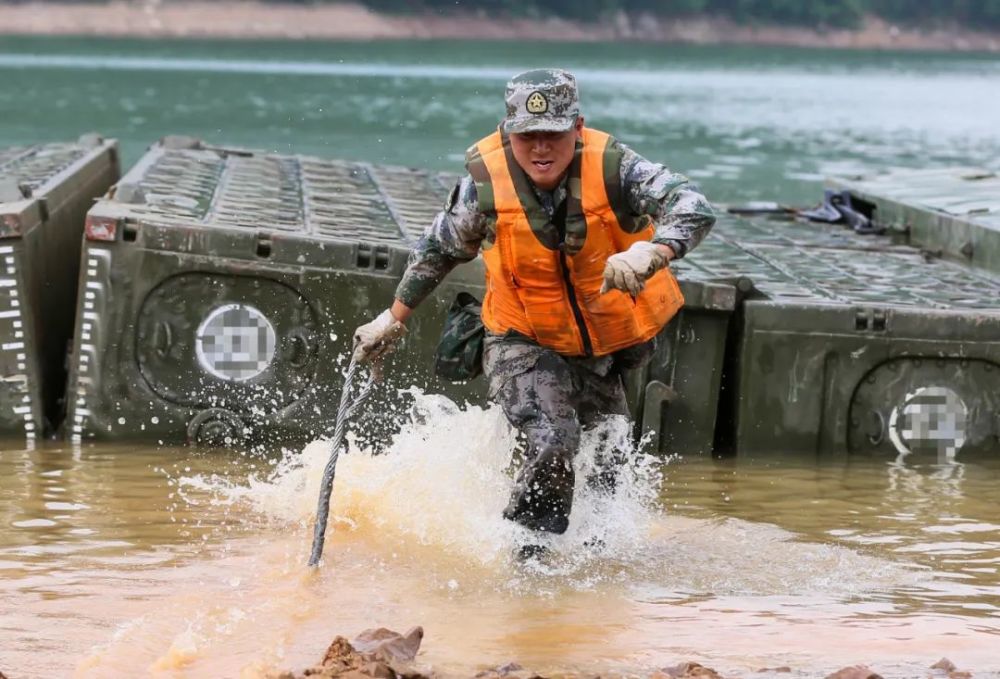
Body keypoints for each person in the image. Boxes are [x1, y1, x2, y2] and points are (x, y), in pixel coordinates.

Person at [353, 68, 715, 550]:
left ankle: (592, 570)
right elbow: (437, 250)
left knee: (608, 466)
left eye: (553, 135)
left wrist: (655, 251)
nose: (540, 148)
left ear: (577, 128)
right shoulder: (483, 186)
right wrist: (391, 319)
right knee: (552, 438)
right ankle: (526, 559)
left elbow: (692, 204)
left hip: (600, 346)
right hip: (519, 336)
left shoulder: (616, 169)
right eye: (527, 137)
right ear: (508, 133)